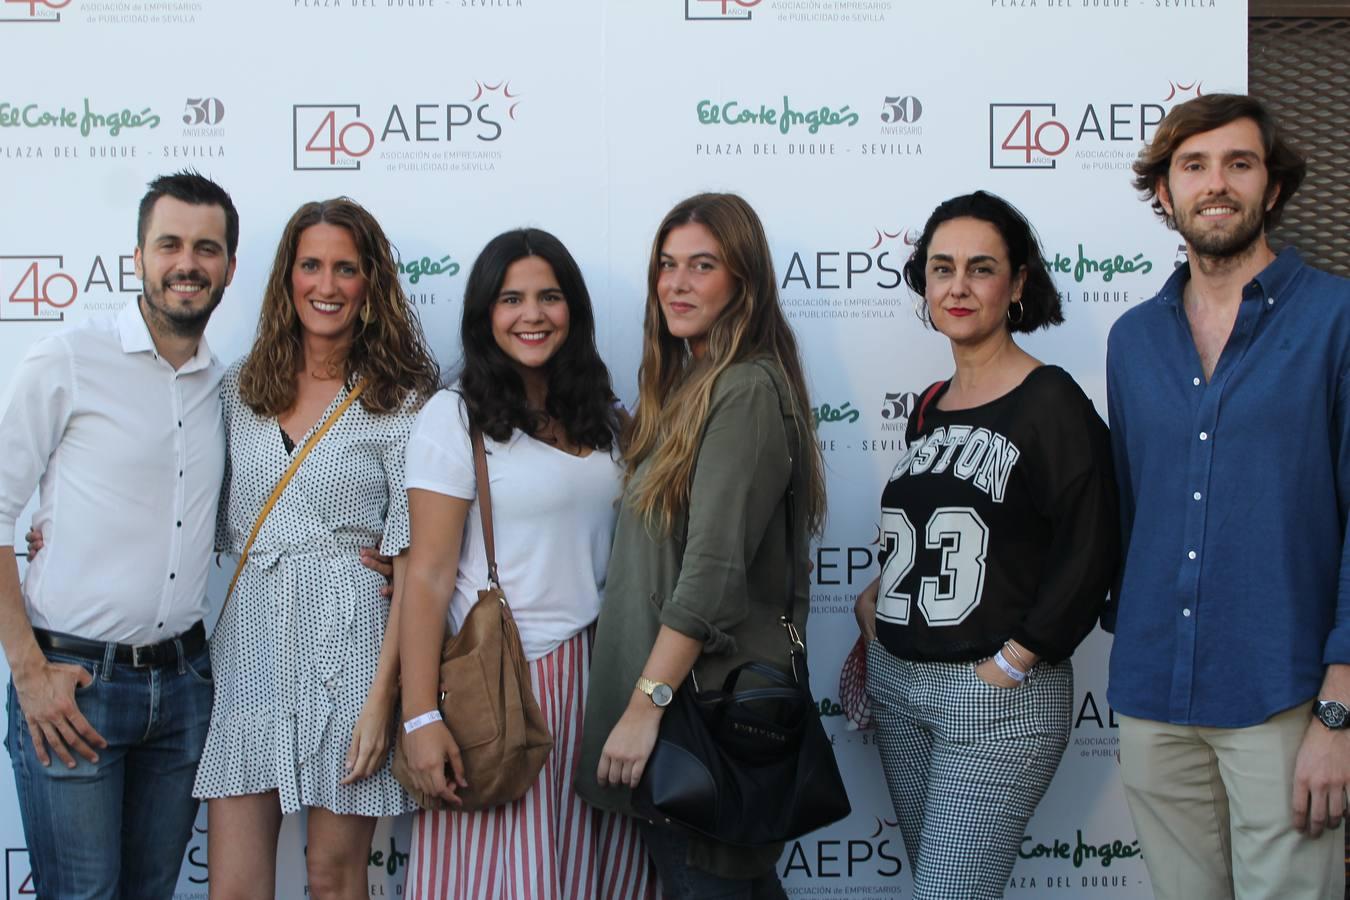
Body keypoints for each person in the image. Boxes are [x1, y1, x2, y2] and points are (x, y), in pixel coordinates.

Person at [1105, 92, 1350, 899]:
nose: (1217, 184)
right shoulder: (1132, 339)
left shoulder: (1336, 320)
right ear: (1164, 193)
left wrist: (1338, 712)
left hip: (1283, 696)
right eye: (1194, 166)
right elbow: (1133, 507)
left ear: (1271, 188)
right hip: (1153, 696)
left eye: (1239, 164)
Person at [853, 190, 1118, 900]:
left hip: (994, 695)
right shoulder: (931, 404)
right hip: (902, 686)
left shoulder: (1050, 399)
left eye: (980, 268)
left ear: (1018, 283)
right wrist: (875, 601)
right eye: (942, 269)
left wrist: (1016, 659)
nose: (958, 287)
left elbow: (1095, 540)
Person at [575, 192, 827, 898]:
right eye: (666, 264)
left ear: (743, 281)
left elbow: (712, 575)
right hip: (689, 715)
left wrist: (644, 705)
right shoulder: (688, 387)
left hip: (700, 718)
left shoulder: (742, 390)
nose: (677, 284)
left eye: (702, 265)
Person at [396, 228, 657, 900]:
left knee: (596, 877)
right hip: (506, 685)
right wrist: (420, 718)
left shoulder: (608, 420)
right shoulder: (452, 419)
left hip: (602, 683)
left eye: (550, 296)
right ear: (486, 314)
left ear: (574, 310)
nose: (532, 314)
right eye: (511, 298)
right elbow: (424, 578)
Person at [192, 197, 439, 900]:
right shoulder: (240, 388)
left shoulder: (404, 398)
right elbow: (181, 500)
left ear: (371, 284)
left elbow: (415, 563)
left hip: (354, 651)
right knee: (234, 887)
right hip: (251, 650)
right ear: (287, 277)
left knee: (335, 878)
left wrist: (382, 702)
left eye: (345, 269)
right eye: (311, 266)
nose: (326, 286)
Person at [0, 171, 236, 899]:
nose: (187, 263)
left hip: (186, 689)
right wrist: (30, 675)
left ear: (229, 265)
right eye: (169, 244)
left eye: (206, 247)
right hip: (75, 688)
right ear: (137, 257)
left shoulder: (223, 387)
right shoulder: (69, 358)